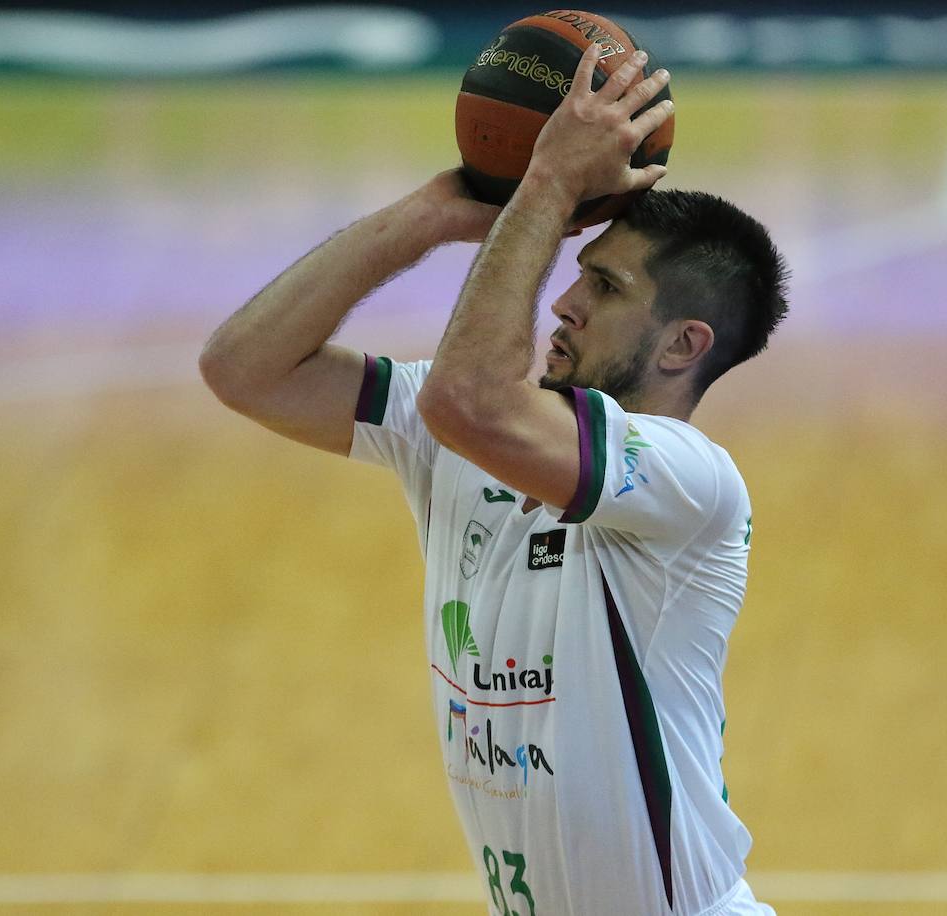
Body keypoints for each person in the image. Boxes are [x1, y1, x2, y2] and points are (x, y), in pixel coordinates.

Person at [200, 43, 787, 916]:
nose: (563, 301)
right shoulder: (454, 434)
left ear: (681, 344)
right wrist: (428, 216)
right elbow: (244, 368)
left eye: (602, 284)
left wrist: (547, 188)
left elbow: (470, 397)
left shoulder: (688, 484)